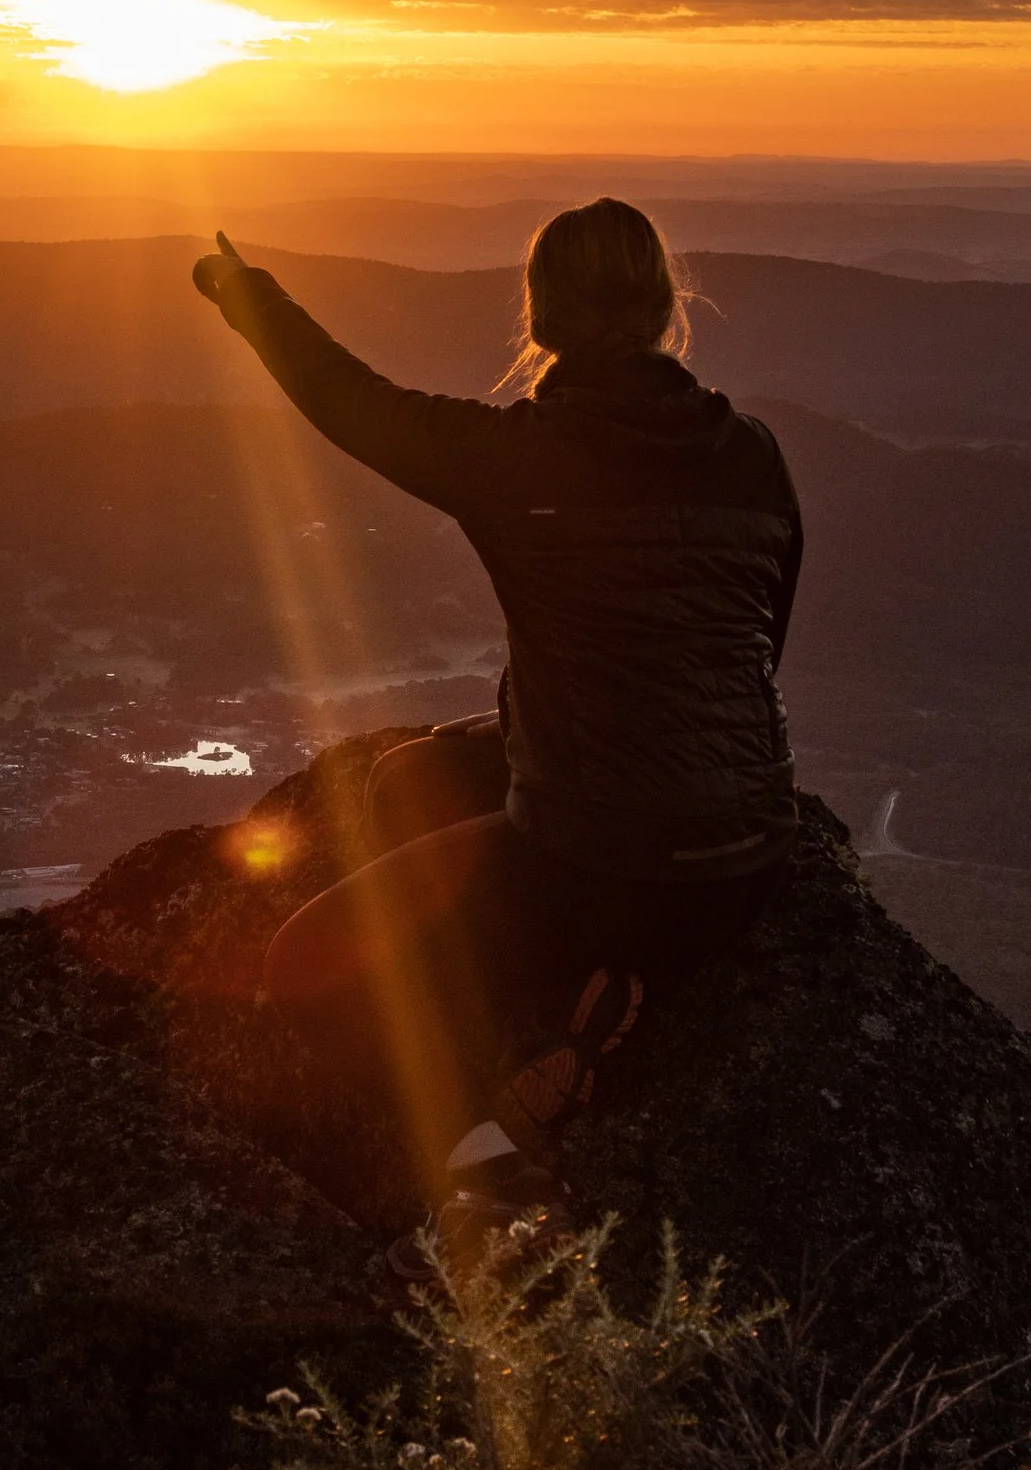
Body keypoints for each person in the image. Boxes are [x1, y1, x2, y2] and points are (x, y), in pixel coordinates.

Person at [192, 199, 802, 1232]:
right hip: (744, 867)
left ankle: (483, 1143)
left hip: (593, 859)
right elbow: (751, 650)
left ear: (540, 316)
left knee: (300, 965)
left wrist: (251, 300)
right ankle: (599, 993)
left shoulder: (515, 455)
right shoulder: (753, 452)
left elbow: (352, 401)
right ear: (664, 310)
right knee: (409, 776)